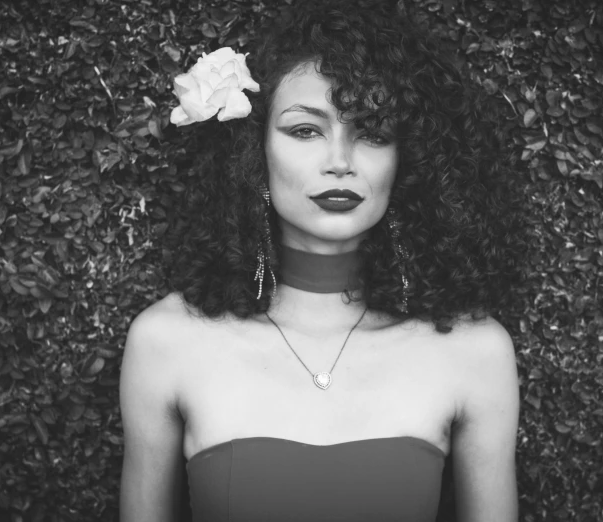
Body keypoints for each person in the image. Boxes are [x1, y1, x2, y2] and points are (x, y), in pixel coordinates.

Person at [119, 1, 527, 520]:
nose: (340, 162)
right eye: (306, 130)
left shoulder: (475, 353)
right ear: (254, 152)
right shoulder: (167, 342)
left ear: (409, 160)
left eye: (374, 132)